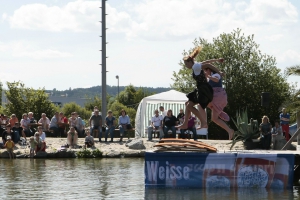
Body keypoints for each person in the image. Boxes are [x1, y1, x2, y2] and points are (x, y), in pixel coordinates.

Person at [176, 46, 224, 134]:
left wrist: (219, 72)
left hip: (204, 90)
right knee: (188, 104)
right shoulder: (197, 65)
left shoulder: (196, 67)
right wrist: (217, 60)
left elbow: (208, 65)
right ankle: (185, 124)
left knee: (189, 106)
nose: (186, 66)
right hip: (201, 88)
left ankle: (203, 122)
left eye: (186, 64)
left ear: (190, 62)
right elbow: (208, 62)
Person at [203, 65, 234, 140]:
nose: (205, 72)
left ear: (209, 70)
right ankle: (229, 130)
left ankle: (219, 112)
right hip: (215, 97)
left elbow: (216, 80)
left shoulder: (216, 75)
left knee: (203, 102)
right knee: (214, 119)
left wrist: (209, 77)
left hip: (218, 97)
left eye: (205, 70)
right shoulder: (209, 78)